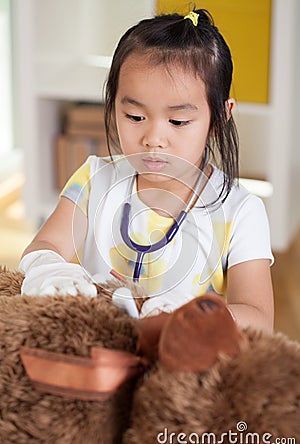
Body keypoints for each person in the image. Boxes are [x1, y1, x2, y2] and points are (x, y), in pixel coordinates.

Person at [19, 9, 274, 331]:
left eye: (178, 121)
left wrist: (196, 315)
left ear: (220, 117)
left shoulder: (241, 212)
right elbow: (46, 246)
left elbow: (259, 319)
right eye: (135, 117)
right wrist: (49, 268)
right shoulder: (93, 180)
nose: (153, 139)